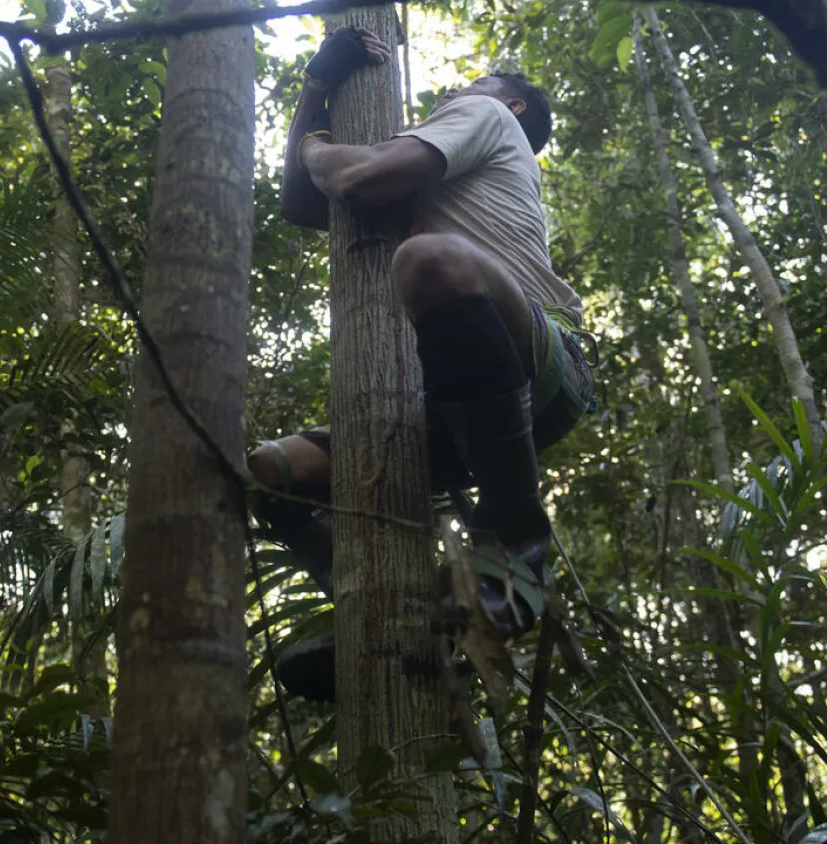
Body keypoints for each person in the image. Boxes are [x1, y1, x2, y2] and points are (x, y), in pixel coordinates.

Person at [249, 27, 595, 702]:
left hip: (540, 364)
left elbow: (356, 177)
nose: (455, 91)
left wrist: (318, 144)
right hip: (458, 403)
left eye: (474, 82)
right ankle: (387, 621)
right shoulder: (437, 181)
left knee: (432, 259)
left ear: (513, 105)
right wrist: (317, 86)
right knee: (272, 473)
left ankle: (516, 553)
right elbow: (301, 202)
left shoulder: (489, 116)